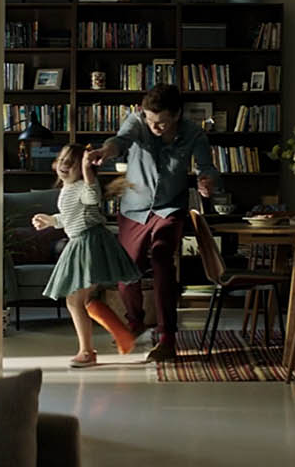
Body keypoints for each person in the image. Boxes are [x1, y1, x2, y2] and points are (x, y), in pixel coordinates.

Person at [84, 84, 220, 361]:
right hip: (134, 209)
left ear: (177, 115)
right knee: (127, 271)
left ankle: (167, 337)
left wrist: (207, 182)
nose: (154, 127)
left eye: (162, 122)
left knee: (161, 259)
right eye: (150, 120)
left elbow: (207, 168)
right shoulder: (137, 122)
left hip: (170, 208)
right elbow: (120, 141)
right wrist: (105, 152)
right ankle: (134, 322)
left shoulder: (193, 133)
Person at [34, 143, 142, 368]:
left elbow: (93, 198)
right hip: (83, 240)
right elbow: (71, 216)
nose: (64, 165)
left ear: (85, 168)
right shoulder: (68, 188)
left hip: (88, 242)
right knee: (86, 299)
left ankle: (87, 352)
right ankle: (122, 334)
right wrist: (51, 221)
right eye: (62, 160)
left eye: (71, 163)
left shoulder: (84, 186)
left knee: (74, 300)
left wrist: (86, 170)